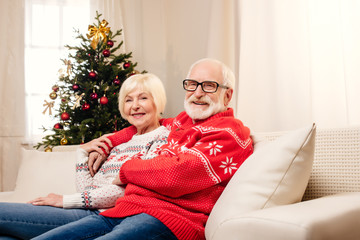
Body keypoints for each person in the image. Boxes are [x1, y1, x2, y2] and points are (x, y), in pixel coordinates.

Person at [32, 58, 254, 240]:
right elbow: (146, 125)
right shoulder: (183, 120)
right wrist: (106, 142)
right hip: (127, 209)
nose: (197, 93)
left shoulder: (230, 132)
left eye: (208, 86)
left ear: (227, 94)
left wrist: (126, 170)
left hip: (169, 220)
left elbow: (175, 175)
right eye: (192, 84)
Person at [0, 73, 169, 240]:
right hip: (85, 211)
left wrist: (64, 200)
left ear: (158, 101)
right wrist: (81, 152)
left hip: (103, 217)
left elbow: (129, 190)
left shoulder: (163, 140)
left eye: (143, 98)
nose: (135, 106)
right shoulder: (119, 143)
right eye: (128, 100)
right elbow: (87, 190)